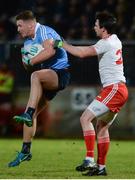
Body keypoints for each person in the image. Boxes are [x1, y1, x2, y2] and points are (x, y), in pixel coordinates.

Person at [53, 11, 128, 176]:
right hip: (119, 89)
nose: (94, 27)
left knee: (85, 118)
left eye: (96, 24)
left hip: (114, 89)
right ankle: (101, 168)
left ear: (103, 28)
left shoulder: (106, 42)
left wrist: (61, 44)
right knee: (101, 127)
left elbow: (82, 53)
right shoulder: (116, 40)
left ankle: (89, 158)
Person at [8, 10, 70, 167]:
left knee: (35, 77)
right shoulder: (28, 42)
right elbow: (29, 66)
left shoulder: (44, 31)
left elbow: (51, 50)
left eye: (20, 25)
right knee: (31, 114)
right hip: (46, 76)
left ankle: (28, 113)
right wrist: (25, 60)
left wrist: (31, 61)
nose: (18, 29)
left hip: (60, 73)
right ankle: (25, 151)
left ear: (30, 24)